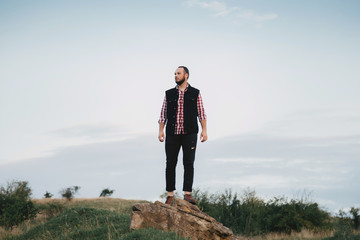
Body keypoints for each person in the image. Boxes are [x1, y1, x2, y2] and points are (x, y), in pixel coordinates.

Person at [158, 66, 207, 205]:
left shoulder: (195, 93)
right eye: (175, 73)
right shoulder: (169, 94)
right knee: (170, 163)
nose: (175, 76)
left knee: (189, 163)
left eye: (178, 73)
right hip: (172, 133)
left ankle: (187, 194)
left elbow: (201, 112)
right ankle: (170, 195)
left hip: (189, 133)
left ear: (186, 75)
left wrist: (204, 130)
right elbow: (163, 113)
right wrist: (161, 130)